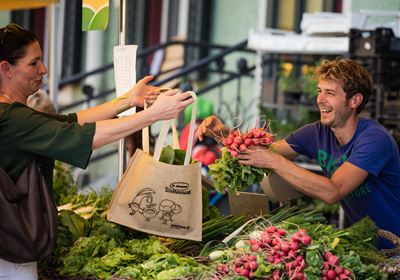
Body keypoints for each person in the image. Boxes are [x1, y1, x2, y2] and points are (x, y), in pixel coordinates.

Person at [0, 23, 193, 279]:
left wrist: (127, 100)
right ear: (6, 69)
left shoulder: (13, 115)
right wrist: (153, 115)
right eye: (33, 63)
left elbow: (68, 122)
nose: (43, 70)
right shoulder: (10, 117)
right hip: (9, 255)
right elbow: (84, 136)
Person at [198, 58, 400, 249]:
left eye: (330, 93)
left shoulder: (374, 139)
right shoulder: (316, 132)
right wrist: (222, 133)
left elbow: (332, 191)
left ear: (354, 101)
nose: (320, 100)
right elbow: (263, 153)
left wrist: (275, 161)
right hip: (368, 245)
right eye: (319, 91)